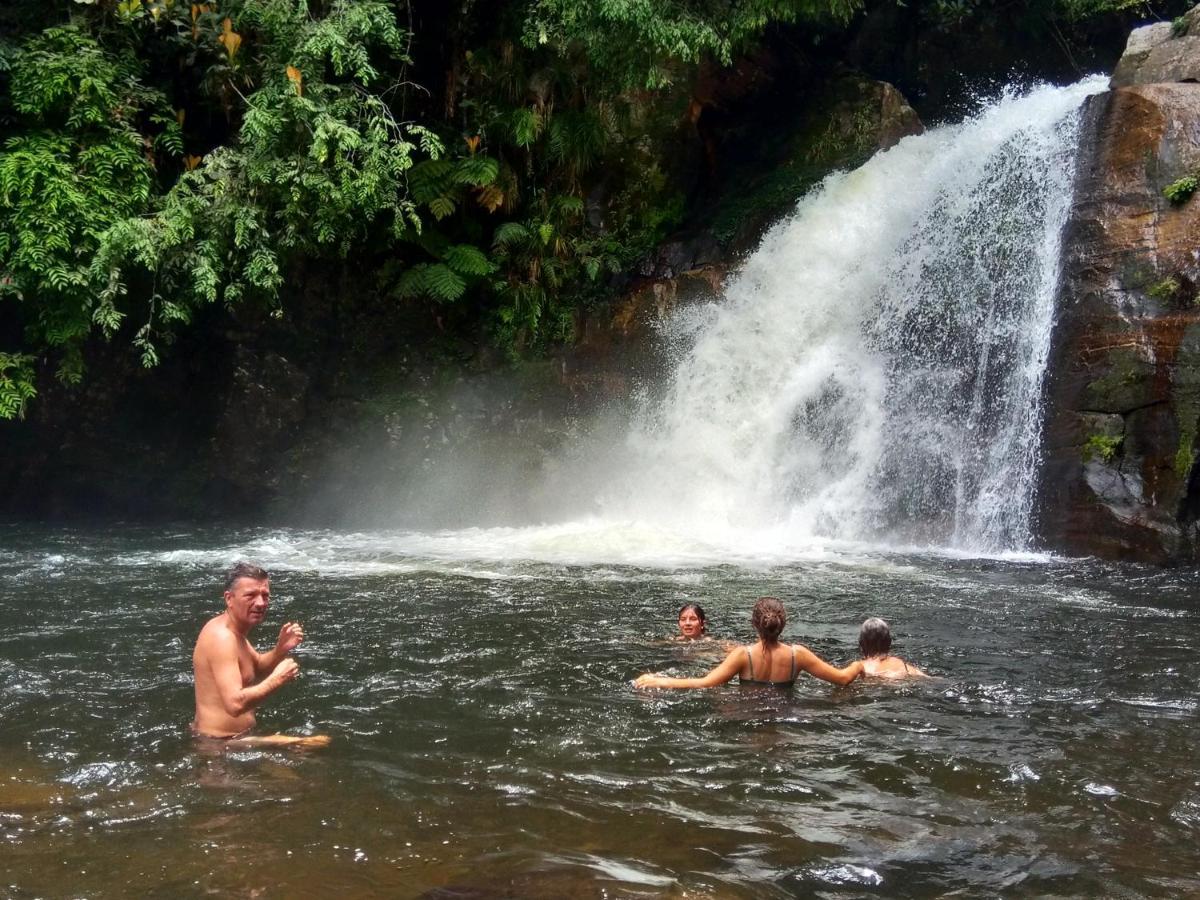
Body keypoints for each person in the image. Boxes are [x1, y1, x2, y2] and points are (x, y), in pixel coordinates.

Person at [192, 562, 329, 748]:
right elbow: (234, 705)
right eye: (250, 595)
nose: (260, 603)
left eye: (265, 595)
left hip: (234, 743)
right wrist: (278, 678)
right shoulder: (222, 638)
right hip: (219, 748)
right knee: (313, 748)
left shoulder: (235, 633)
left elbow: (256, 667)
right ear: (229, 599)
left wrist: (280, 649)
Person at [634, 596, 863, 690]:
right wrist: (858, 665)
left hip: (748, 716)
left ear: (754, 624)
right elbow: (842, 679)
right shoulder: (798, 655)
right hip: (786, 719)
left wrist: (660, 681)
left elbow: (704, 683)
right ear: (783, 624)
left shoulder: (744, 655)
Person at [858, 617, 928, 678]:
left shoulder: (857, 668)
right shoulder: (901, 665)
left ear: (861, 643)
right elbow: (929, 679)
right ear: (889, 642)